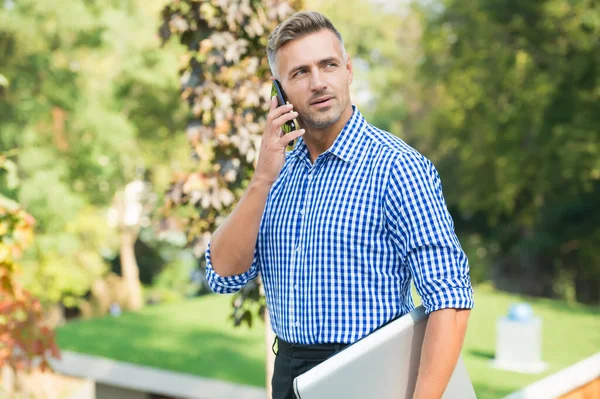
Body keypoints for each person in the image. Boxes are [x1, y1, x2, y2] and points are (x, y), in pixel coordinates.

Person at [205, 11, 474, 399]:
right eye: (299, 73)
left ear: (348, 71)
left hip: (368, 377)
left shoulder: (398, 168)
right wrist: (262, 178)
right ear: (277, 91)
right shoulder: (275, 176)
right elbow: (223, 275)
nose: (318, 83)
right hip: (289, 381)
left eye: (328, 65)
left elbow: (449, 299)